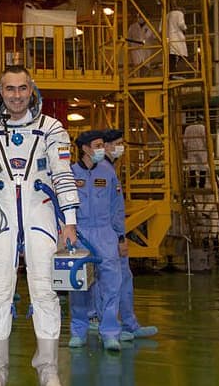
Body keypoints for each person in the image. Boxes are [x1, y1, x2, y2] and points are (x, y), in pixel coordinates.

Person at [0, 65, 79, 386]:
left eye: (22, 88)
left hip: (41, 216)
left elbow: (63, 175)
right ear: (0, 91)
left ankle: (48, 366)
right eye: (10, 89)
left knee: (45, 291)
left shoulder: (51, 128)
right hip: (1, 218)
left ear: (31, 90)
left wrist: (70, 220)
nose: (17, 95)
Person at [68, 130, 123, 352]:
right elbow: (60, 207)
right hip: (79, 234)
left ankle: (110, 332)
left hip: (105, 234)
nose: (103, 149)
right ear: (85, 148)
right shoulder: (69, 174)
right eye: (98, 145)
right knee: (79, 286)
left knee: (111, 284)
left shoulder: (108, 173)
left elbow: (117, 207)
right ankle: (79, 330)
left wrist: (120, 236)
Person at [103, 129, 158, 339]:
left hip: (113, 232)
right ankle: (114, 326)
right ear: (106, 146)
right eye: (117, 143)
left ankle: (126, 324)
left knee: (122, 279)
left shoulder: (110, 169)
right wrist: (118, 237)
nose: (121, 148)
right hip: (108, 235)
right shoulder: (104, 171)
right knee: (111, 282)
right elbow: (105, 209)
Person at [182, 123, 208, 188]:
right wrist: (207, 147)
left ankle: (193, 184)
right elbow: (205, 139)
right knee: (202, 167)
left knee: (192, 166)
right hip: (202, 149)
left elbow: (184, 141)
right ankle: (202, 184)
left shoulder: (188, 128)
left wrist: (187, 148)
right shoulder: (202, 127)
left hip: (191, 149)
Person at [166, 5, 188, 79]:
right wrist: (185, 29)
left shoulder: (167, 15)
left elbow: (160, 29)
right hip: (177, 38)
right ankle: (178, 73)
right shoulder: (179, 13)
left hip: (169, 39)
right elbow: (181, 24)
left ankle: (171, 74)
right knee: (182, 56)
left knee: (171, 57)